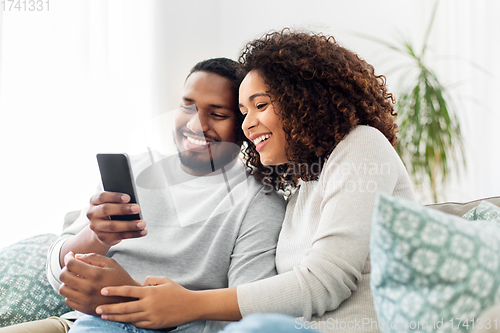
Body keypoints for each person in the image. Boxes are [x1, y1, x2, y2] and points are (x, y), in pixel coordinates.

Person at [92, 29, 416, 333]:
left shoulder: (363, 145)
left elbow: (324, 282)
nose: (248, 126)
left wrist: (189, 304)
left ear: (303, 100)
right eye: (244, 111)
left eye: (260, 105)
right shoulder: (301, 185)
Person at [0, 58, 285, 333]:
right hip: (76, 322)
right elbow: (57, 273)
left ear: (243, 125)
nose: (196, 124)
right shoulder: (134, 169)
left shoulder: (258, 198)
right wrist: (96, 237)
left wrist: (130, 297)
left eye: (217, 114)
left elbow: (250, 312)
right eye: (187, 106)